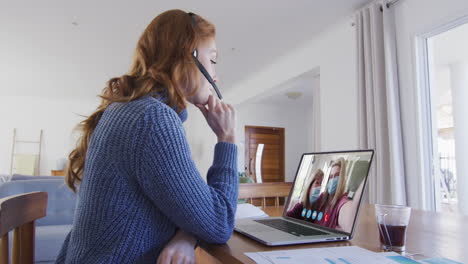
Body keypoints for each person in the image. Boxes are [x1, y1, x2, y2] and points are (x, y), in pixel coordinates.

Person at [56, 10, 238, 264]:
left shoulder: (132, 110)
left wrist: (186, 234)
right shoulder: (153, 121)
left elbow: (185, 206)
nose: (215, 75)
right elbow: (220, 223)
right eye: (213, 59)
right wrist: (226, 138)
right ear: (188, 56)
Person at [313, 158, 349, 229]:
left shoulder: (342, 202)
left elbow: (346, 214)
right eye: (330, 177)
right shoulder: (322, 197)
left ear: (342, 179)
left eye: (336, 176)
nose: (332, 180)